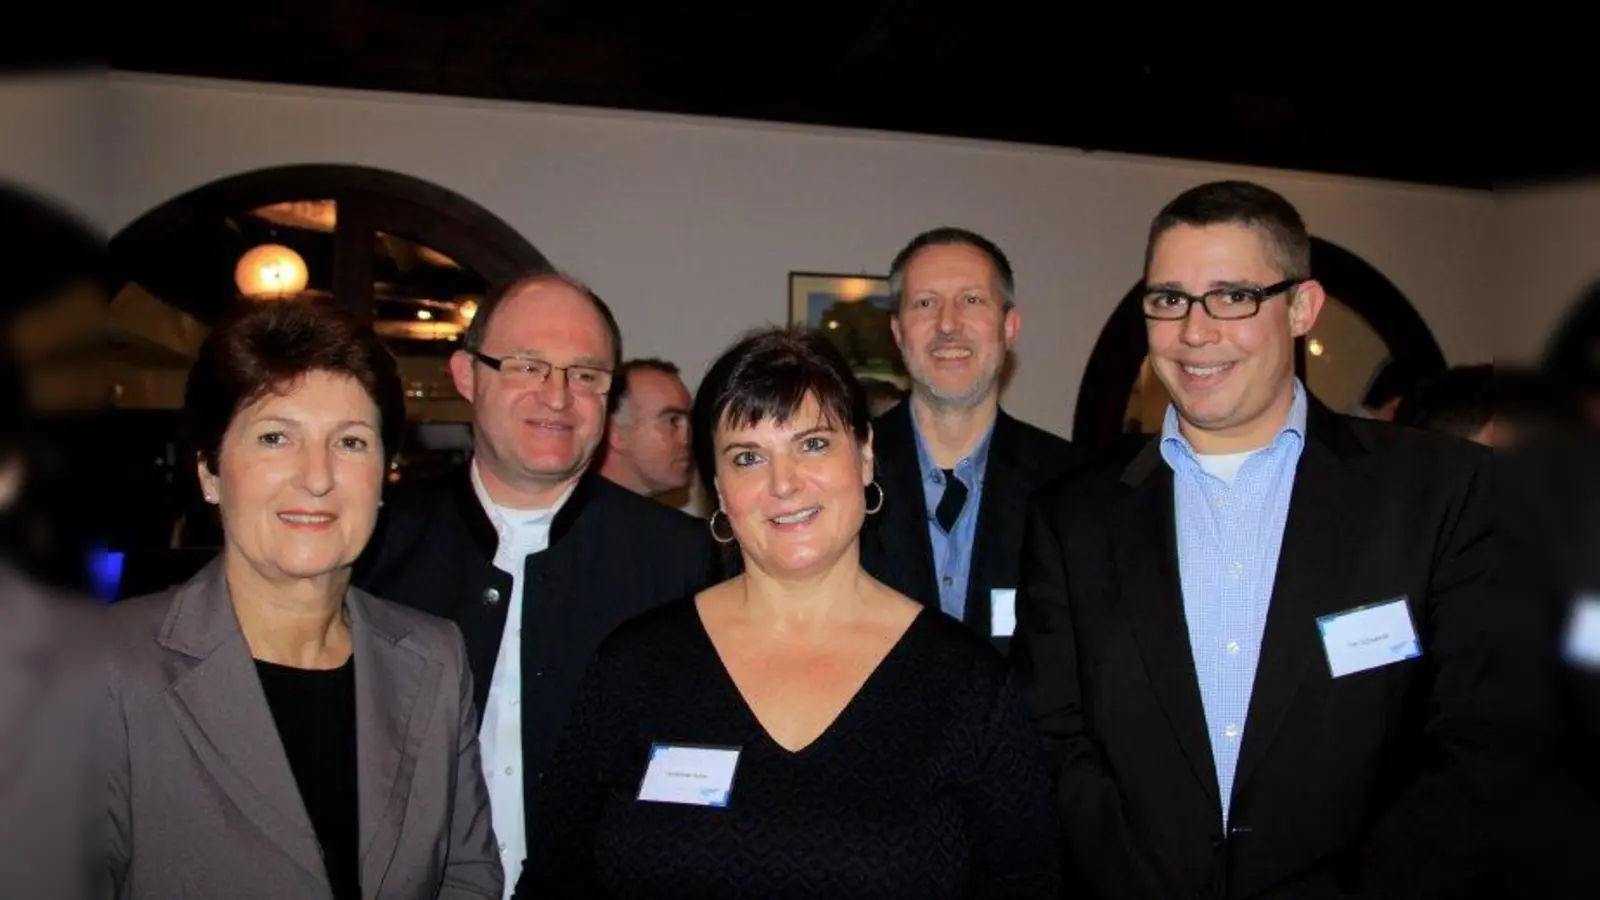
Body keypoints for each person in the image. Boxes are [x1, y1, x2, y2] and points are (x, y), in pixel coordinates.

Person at [1013, 180, 1512, 898]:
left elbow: (1482, 738)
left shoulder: (1442, 491)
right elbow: (1051, 740)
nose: (1195, 330)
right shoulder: (1073, 517)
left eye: (1233, 296)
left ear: (1302, 307)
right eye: (1168, 299)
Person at [515, 326, 1061, 899]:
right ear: (720, 491)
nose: (784, 483)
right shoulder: (634, 666)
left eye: (813, 444)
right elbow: (555, 880)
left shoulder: (966, 685)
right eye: (748, 457)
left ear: (866, 455)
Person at [103, 300, 501, 899]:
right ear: (210, 470)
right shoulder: (102, 670)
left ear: (384, 473)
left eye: (350, 442)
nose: (317, 477)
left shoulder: (434, 656)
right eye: (274, 437)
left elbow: (466, 875)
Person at [354, 272, 720, 896]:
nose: (558, 397)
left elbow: (700, 777)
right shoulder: (375, 541)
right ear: (467, 375)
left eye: (585, 375)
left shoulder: (680, 560)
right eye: (528, 367)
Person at [860, 227, 1082, 654]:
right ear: (898, 331)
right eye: (925, 303)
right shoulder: (845, 473)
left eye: (972, 300)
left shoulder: (1072, 484)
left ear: (1009, 325)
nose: (948, 324)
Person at [597, 357, 694, 503]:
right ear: (613, 433)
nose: (687, 438)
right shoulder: (565, 521)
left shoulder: (658, 523)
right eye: (672, 421)